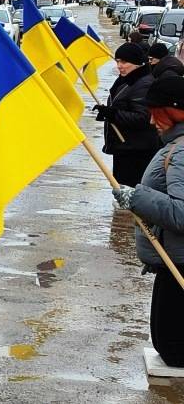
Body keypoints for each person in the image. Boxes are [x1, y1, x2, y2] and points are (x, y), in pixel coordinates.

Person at [112, 76, 184, 367]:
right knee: (168, 346)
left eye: (156, 112)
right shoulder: (175, 145)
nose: (151, 120)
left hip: (178, 264)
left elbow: (181, 214)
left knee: (174, 349)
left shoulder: (181, 152)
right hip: (170, 262)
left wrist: (136, 198)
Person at [96, 43, 161, 187]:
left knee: (130, 192)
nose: (119, 65)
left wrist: (113, 114)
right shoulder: (128, 80)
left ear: (137, 63)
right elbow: (123, 106)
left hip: (136, 151)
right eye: (117, 61)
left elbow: (143, 118)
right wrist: (107, 112)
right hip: (126, 147)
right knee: (123, 189)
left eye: (124, 62)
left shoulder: (143, 84)